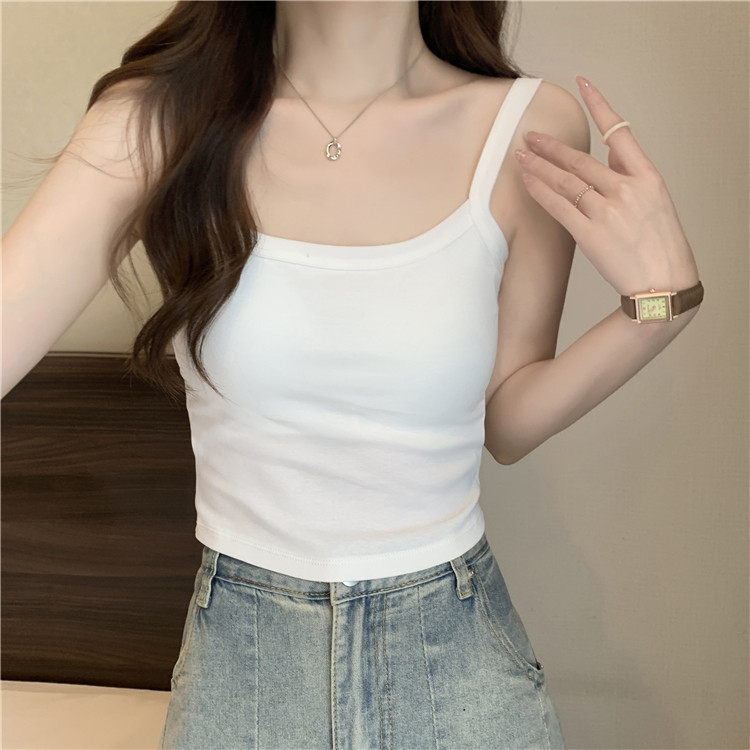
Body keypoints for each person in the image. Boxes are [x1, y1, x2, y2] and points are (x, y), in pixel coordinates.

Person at [2, 1, 703, 748]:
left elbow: (505, 420)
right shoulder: (155, 122)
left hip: (458, 663)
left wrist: (657, 310)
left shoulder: (529, 126)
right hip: (246, 665)